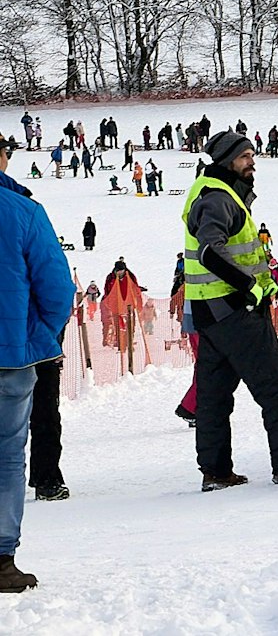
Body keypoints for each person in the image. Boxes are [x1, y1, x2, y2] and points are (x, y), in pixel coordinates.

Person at [183, 131, 278, 492]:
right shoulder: (218, 198)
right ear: (226, 160)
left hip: (209, 312)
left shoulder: (213, 191)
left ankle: (215, 471)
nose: (252, 162)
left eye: (252, 155)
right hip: (234, 313)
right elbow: (209, 252)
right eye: (245, 156)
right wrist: (250, 287)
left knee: (214, 397)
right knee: (276, 388)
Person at [0, 137, 75, 591]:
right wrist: (37, 338)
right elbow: (56, 289)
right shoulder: (23, 211)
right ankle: (2, 557)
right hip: (10, 356)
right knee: (8, 456)